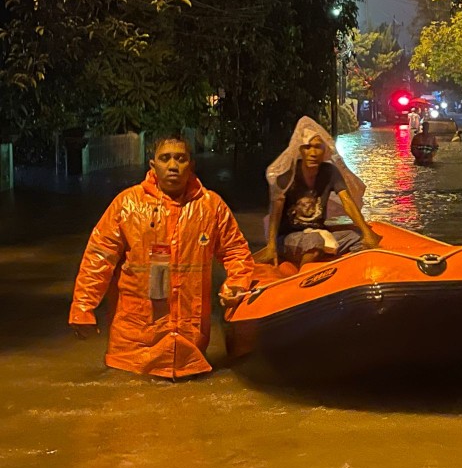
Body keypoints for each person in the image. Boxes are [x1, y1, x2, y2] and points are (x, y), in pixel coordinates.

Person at [69, 136, 254, 379]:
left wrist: (237, 285)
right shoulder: (127, 205)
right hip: (133, 345)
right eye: (165, 158)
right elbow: (99, 257)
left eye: (181, 158)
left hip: (190, 348)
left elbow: (236, 252)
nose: (173, 165)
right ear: (152, 165)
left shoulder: (211, 207)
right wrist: (83, 308)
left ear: (191, 165)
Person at [257, 116, 382, 268]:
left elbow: (347, 201)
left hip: (318, 231)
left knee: (356, 236)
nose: (313, 153)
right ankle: (303, 278)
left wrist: (366, 233)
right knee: (315, 241)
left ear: (324, 151)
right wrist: (271, 246)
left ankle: (339, 268)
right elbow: (275, 212)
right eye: (307, 147)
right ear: (300, 150)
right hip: (289, 237)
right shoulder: (288, 176)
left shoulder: (329, 172)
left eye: (318, 147)